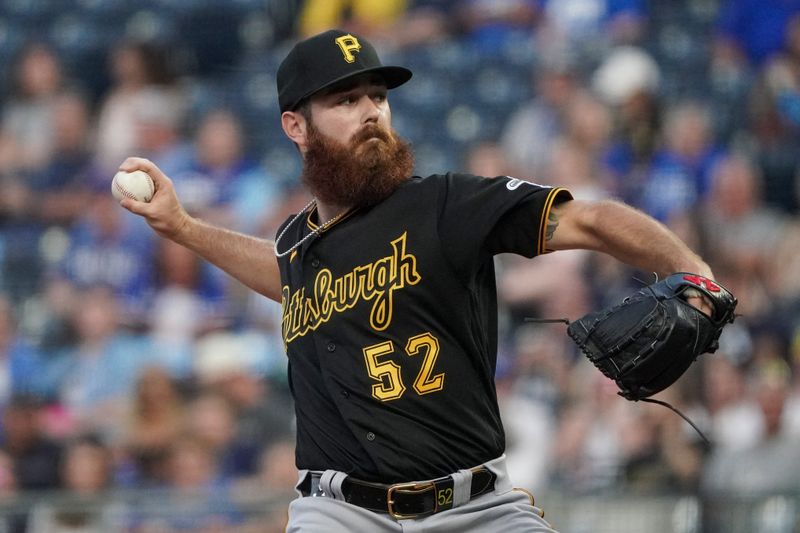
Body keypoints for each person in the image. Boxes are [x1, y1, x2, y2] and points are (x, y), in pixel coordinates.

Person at [116, 29, 715, 533]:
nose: (372, 110)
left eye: (377, 95)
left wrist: (697, 274)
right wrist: (184, 228)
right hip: (340, 513)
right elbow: (283, 276)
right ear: (295, 126)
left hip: (477, 507)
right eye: (346, 100)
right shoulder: (297, 243)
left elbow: (589, 217)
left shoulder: (446, 205)